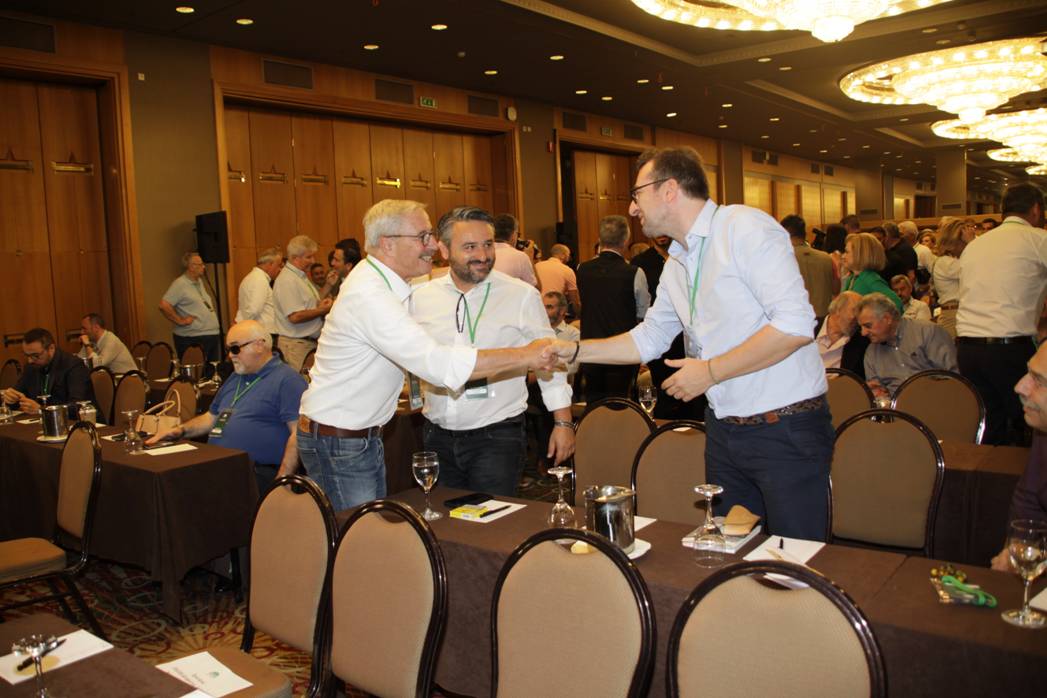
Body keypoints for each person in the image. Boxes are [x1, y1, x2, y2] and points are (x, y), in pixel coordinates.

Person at [551, 146, 832, 540]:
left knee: (795, 556)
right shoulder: (679, 261)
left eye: (637, 195)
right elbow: (649, 338)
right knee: (730, 551)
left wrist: (711, 372)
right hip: (722, 430)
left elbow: (795, 325)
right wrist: (576, 351)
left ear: (669, 190)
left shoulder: (743, 228)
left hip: (783, 427)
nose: (632, 209)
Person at [297, 199, 557, 511]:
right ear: (388, 244)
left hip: (352, 438)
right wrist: (526, 356)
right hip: (342, 442)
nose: (432, 245)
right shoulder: (371, 296)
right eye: (422, 237)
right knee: (358, 536)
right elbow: (440, 366)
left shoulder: (385, 281)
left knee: (365, 530)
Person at [410, 207, 574, 496]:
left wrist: (562, 421)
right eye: (470, 247)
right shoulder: (421, 297)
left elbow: (549, 358)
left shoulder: (520, 295)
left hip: (497, 435)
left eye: (487, 244)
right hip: (437, 435)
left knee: (493, 519)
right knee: (444, 519)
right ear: (444, 250)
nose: (483, 255)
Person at [147, 320, 307, 495]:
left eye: (235, 348)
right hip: (220, 467)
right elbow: (211, 417)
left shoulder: (288, 380)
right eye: (228, 349)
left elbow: (298, 434)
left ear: (259, 345)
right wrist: (180, 430)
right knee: (167, 480)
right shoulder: (236, 377)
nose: (230, 356)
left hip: (255, 474)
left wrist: (282, 480)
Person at [957, 183, 1047, 445]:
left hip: (968, 349)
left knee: (991, 426)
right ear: (1036, 209)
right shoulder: (1038, 239)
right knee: (1029, 424)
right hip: (1007, 347)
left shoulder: (976, 245)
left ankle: (993, 471)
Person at [576, 214, 651, 403]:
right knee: (620, 402)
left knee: (594, 403)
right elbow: (643, 313)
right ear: (625, 241)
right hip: (622, 349)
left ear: (600, 239)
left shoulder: (582, 269)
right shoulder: (634, 272)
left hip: (590, 346)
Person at [991, 341, 1047, 571]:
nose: (1019, 387)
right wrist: (1019, 546)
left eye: (1039, 380)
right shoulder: (1043, 431)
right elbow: (1029, 497)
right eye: (1028, 373)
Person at [858, 293, 958, 398]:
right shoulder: (871, 352)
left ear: (887, 318)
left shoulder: (927, 332)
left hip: (937, 399)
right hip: (896, 405)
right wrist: (876, 393)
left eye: (868, 326)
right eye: (861, 327)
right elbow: (877, 393)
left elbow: (954, 378)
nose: (863, 333)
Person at [273, 235, 333, 372]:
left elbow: (306, 306)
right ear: (295, 258)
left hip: (305, 344)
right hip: (296, 347)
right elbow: (295, 316)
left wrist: (321, 304)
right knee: (301, 383)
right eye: (308, 257)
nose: (313, 261)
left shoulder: (300, 276)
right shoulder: (287, 280)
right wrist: (323, 310)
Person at [3, 328, 93, 414]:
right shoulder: (31, 367)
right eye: (27, 355)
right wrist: (11, 399)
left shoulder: (73, 365)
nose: (30, 360)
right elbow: (19, 397)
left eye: (36, 356)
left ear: (51, 348)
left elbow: (77, 406)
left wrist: (42, 410)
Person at [159, 252, 221, 363]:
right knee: (198, 372)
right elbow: (164, 305)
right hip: (193, 337)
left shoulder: (199, 282)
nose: (204, 267)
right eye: (200, 264)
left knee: (212, 371)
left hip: (210, 335)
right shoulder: (180, 284)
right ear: (191, 267)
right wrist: (180, 320)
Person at [782, 214, 835, 320]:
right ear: (804, 233)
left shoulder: (782, 260)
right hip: (824, 319)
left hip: (797, 319)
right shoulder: (827, 258)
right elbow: (836, 289)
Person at [931, 217, 976, 338]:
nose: (965, 245)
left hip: (958, 312)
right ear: (954, 242)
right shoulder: (945, 262)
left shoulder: (951, 260)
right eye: (963, 241)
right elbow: (975, 269)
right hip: (953, 314)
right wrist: (972, 243)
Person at [840, 233, 903, 312]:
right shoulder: (854, 278)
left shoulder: (870, 279)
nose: (843, 256)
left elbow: (896, 304)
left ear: (860, 254)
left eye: (847, 252)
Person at [235, 247, 283, 345]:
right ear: (270, 264)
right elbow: (253, 310)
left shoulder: (253, 277)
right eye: (278, 265)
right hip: (261, 334)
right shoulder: (259, 280)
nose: (280, 269)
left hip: (257, 332)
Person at [816, 291, 868, 378]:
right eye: (854, 310)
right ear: (838, 309)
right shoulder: (807, 327)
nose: (858, 318)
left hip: (837, 385)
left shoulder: (861, 340)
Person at [491, 214, 539, 288]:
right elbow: (536, 289)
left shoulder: (482, 253)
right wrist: (530, 259)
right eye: (517, 234)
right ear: (513, 235)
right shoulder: (520, 256)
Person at [534, 243, 580, 315]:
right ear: (562, 255)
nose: (569, 258)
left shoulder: (537, 266)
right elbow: (575, 300)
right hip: (553, 310)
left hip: (535, 307)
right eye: (568, 255)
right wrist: (579, 315)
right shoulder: (567, 270)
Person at [543, 291, 581, 379]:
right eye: (542, 307)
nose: (543, 311)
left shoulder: (573, 334)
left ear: (562, 311)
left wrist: (539, 371)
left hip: (557, 383)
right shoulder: (535, 331)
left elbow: (572, 367)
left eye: (549, 307)